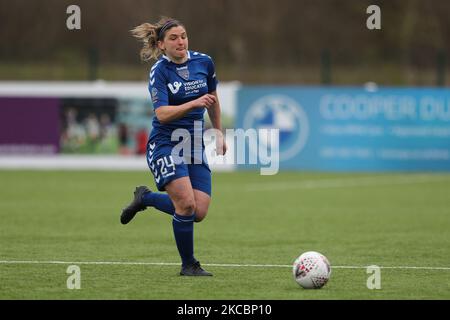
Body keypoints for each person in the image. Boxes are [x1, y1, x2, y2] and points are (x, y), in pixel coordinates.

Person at [122, 17, 227, 276]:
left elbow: (212, 100)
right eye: (173, 38)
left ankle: (145, 198)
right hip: (166, 144)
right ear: (161, 44)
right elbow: (162, 114)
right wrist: (192, 104)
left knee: (198, 211)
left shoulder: (204, 62)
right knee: (186, 206)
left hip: (193, 143)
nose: (180, 41)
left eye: (183, 36)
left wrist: (218, 131)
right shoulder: (160, 71)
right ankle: (189, 265)